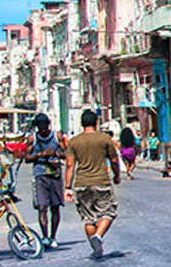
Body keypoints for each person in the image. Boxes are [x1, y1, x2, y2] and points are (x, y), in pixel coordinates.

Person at [65, 110, 121, 260]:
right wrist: (117, 176)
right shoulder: (105, 139)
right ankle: (98, 235)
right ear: (96, 122)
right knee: (108, 213)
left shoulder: (74, 141)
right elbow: (114, 160)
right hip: (101, 181)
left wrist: (67, 188)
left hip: (81, 183)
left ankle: (96, 248)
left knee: (88, 218)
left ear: (81, 123)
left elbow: (70, 165)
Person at [24, 113, 66, 249]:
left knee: (55, 207)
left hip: (54, 174)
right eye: (39, 127)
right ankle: (45, 236)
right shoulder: (32, 139)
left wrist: (56, 154)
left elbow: (67, 154)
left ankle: (53, 236)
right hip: (40, 175)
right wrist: (40, 155)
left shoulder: (57, 136)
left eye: (44, 126)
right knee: (42, 207)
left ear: (48, 125)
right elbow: (26, 158)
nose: (42, 129)